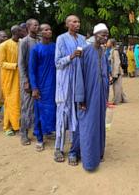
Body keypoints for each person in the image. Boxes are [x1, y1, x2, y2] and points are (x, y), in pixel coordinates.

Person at [75, 23, 110, 171]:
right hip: (88, 96)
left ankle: (99, 154)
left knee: (100, 124)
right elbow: (79, 76)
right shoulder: (85, 51)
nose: (105, 37)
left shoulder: (103, 51)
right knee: (89, 126)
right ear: (95, 35)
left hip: (101, 95)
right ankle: (89, 161)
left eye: (107, 35)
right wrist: (81, 98)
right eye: (103, 34)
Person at [54, 15, 87, 164]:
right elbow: (57, 63)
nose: (77, 23)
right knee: (63, 114)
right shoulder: (61, 39)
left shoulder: (82, 39)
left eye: (78, 21)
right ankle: (58, 148)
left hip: (78, 83)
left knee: (77, 115)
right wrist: (71, 56)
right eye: (74, 21)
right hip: (65, 83)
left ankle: (75, 149)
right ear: (67, 24)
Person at [29, 24, 56, 152]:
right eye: (46, 29)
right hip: (41, 86)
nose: (49, 31)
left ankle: (50, 131)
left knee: (53, 110)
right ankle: (40, 138)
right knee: (39, 112)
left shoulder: (55, 46)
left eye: (49, 29)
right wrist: (34, 88)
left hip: (55, 85)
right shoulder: (36, 49)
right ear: (40, 33)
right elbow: (32, 70)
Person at [0, 25, 24, 136]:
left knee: (18, 102)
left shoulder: (22, 43)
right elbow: (1, 63)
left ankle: (17, 125)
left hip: (21, 77)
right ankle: (7, 126)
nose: (23, 32)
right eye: (20, 30)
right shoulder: (4, 45)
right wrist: (15, 65)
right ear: (15, 32)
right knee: (10, 102)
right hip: (9, 77)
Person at [18, 18, 39, 145]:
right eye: (35, 25)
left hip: (38, 79)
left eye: (38, 25)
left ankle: (38, 130)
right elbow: (21, 63)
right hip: (27, 80)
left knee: (38, 106)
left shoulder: (39, 40)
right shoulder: (25, 42)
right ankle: (24, 133)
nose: (37, 27)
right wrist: (25, 81)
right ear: (28, 27)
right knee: (26, 107)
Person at [109, 39, 128, 105]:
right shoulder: (112, 51)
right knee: (119, 85)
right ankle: (124, 99)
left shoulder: (115, 51)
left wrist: (116, 73)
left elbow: (117, 62)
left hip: (117, 71)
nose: (107, 43)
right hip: (116, 71)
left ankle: (117, 101)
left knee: (116, 86)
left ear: (111, 43)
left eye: (108, 42)